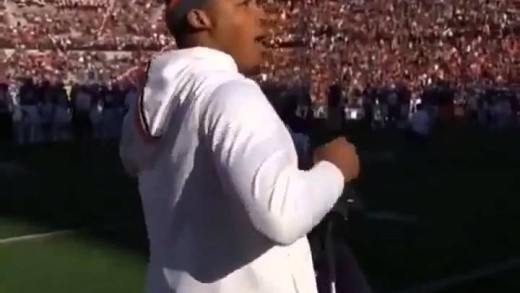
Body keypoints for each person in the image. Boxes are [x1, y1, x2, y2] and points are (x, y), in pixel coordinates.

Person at [119, 0, 360, 292]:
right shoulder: (229, 92)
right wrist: (335, 167)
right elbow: (281, 213)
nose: (262, 14)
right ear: (200, 19)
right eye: (244, 4)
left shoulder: (161, 102)